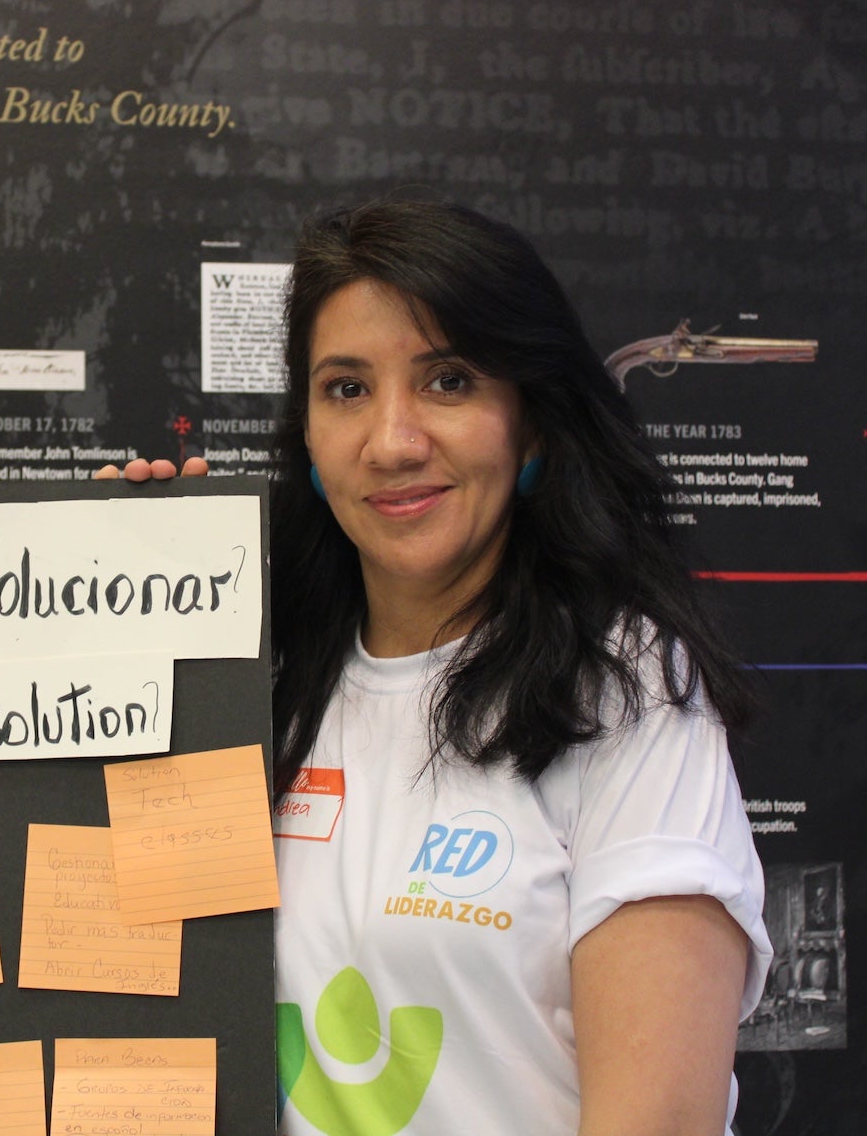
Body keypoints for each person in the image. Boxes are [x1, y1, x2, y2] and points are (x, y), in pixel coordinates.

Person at [100, 199, 769, 1135]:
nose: (392, 441)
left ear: (529, 424)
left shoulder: (624, 689)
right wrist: (108, 614)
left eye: (447, 382)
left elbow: (657, 1119)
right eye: (346, 389)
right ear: (306, 430)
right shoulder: (263, 680)